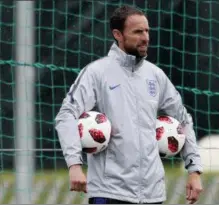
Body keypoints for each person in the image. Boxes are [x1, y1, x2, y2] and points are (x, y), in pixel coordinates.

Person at [55, 5, 203, 204]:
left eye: (147, 31)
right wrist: (74, 165)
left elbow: (183, 119)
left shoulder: (155, 75)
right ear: (118, 34)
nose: (145, 37)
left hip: (153, 193)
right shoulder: (97, 73)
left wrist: (194, 169)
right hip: (110, 192)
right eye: (138, 32)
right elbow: (66, 115)